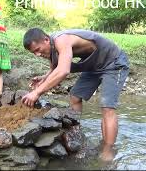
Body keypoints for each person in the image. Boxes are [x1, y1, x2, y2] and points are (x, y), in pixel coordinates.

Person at [21, 28, 129, 162]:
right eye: (33, 53)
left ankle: (108, 150)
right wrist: (44, 78)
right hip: (93, 68)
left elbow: (63, 70)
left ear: (46, 40)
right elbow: (54, 68)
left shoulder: (62, 39)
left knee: (107, 106)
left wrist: (37, 92)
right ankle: (76, 134)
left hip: (113, 62)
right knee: (75, 96)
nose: (37, 54)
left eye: (37, 49)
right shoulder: (51, 49)